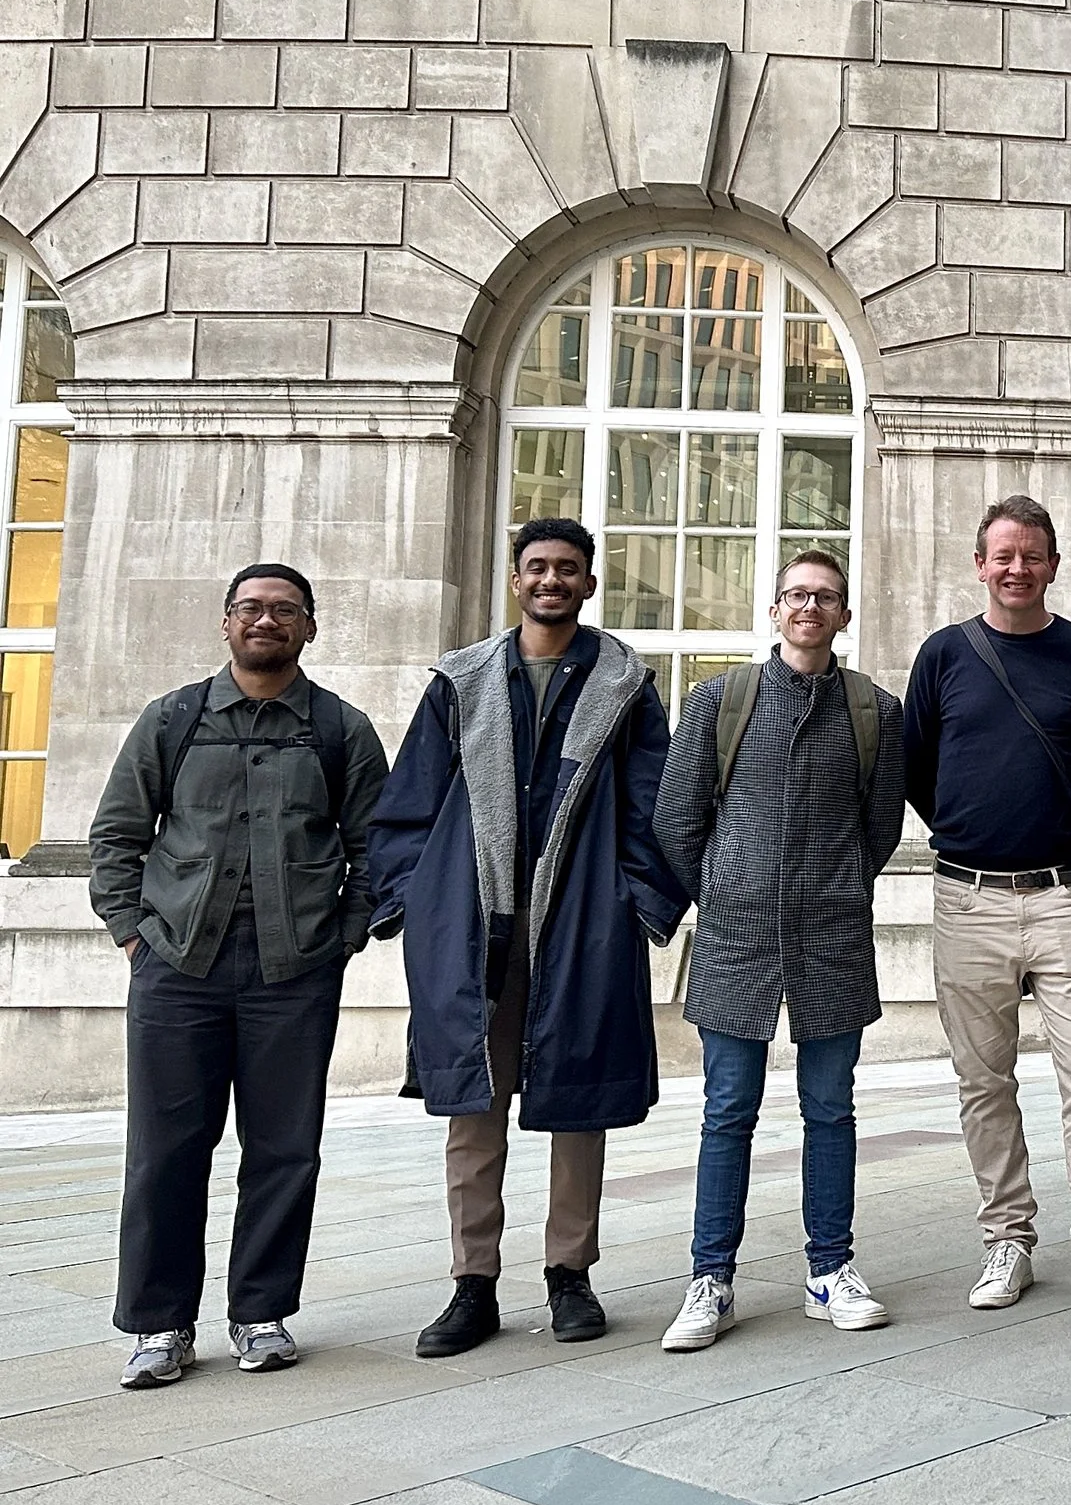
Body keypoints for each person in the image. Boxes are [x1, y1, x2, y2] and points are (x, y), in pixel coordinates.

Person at [369, 517, 689, 1359]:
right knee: (475, 1109)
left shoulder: (622, 684)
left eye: (568, 569)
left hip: (581, 922)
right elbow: (410, 803)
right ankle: (472, 1284)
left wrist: (634, 904)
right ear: (516, 580)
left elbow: (654, 807)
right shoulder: (462, 681)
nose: (551, 580)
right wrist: (413, 906)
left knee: (577, 1104)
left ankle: (568, 1274)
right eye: (537, 567)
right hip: (476, 923)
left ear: (589, 584)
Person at [88, 565, 389, 1387]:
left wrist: (344, 938)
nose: (267, 620)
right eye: (251, 608)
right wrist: (133, 937)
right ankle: (159, 1325)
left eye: (285, 610)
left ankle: (261, 1313)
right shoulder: (174, 719)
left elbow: (380, 850)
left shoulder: (339, 728)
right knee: (164, 1152)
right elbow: (116, 836)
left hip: (293, 974)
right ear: (226, 624)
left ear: (309, 628)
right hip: (176, 969)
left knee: (286, 1151)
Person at [652, 549, 907, 1351]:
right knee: (728, 1111)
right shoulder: (717, 701)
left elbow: (882, 826)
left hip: (833, 933)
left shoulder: (875, 711)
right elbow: (674, 818)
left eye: (826, 597)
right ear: (774, 611)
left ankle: (830, 1270)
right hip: (736, 936)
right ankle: (710, 1278)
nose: (810, 608)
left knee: (831, 1109)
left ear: (843, 615)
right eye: (796, 595)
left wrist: (836, 884)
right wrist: (726, 886)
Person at [903, 494, 1071, 1315]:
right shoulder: (943, 655)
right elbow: (916, 769)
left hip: (1063, 894)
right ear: (980, 564)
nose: (1017, 568)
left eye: (1032, 554)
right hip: (965, 897)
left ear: (1052, 563)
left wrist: (1038, 810)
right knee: (983, 1080)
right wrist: (977, 824)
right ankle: (1007, 1239)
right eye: (1002, 555)